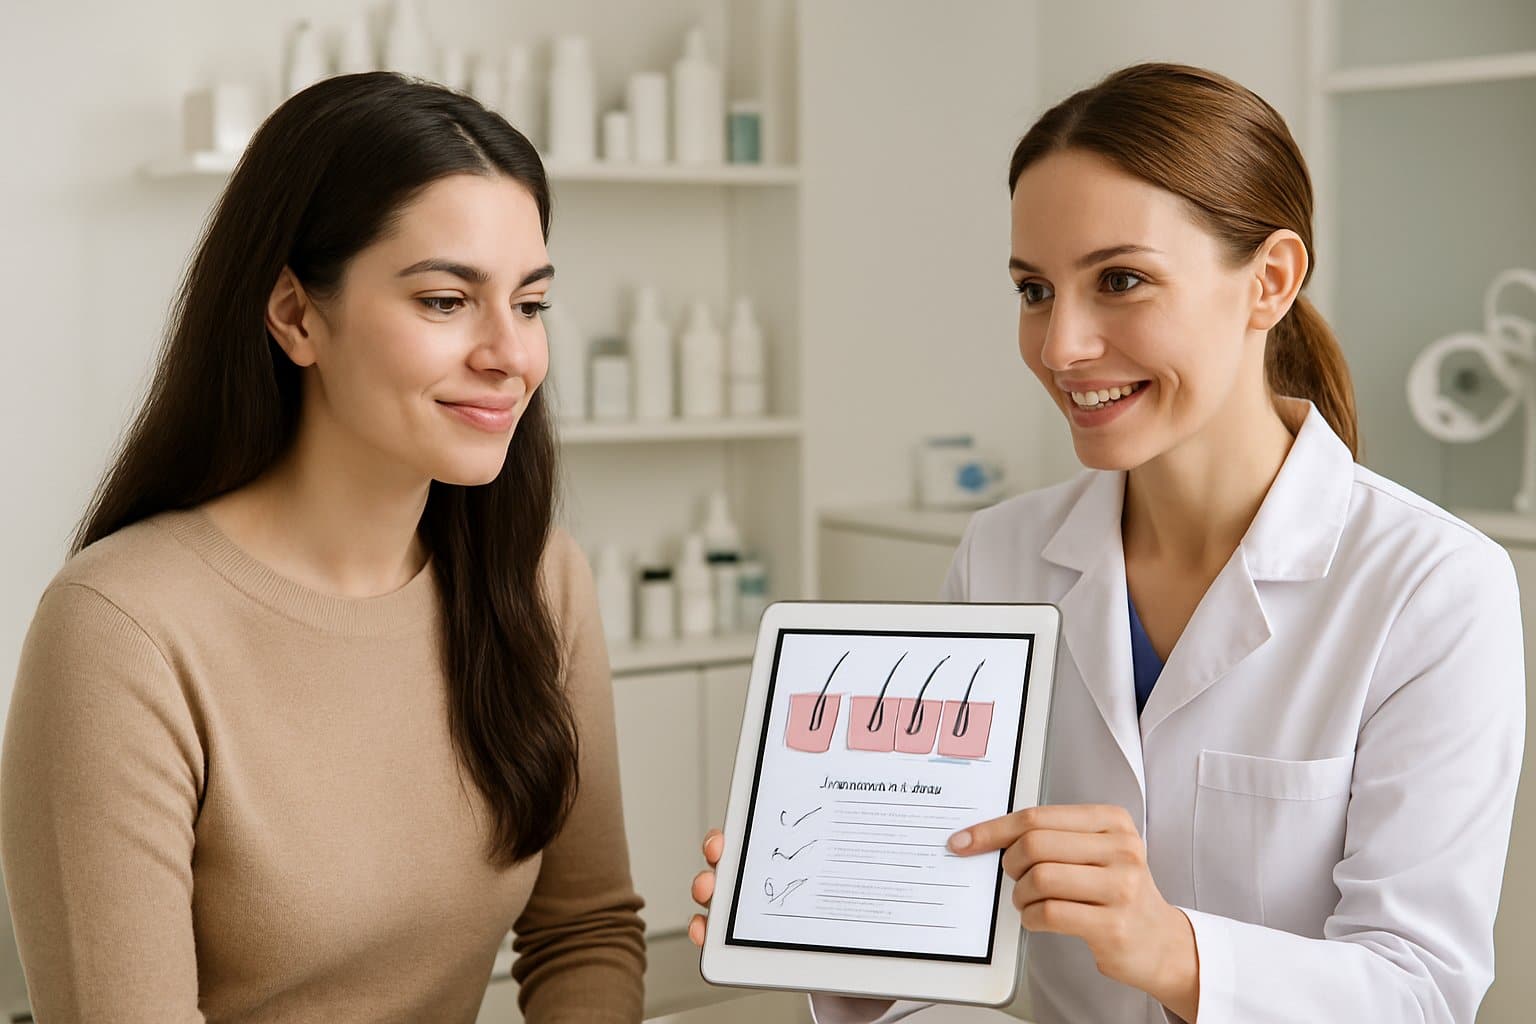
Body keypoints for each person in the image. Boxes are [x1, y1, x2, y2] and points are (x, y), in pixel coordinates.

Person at [688, 63, 1525, 1024]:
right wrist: (832, 925)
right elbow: (950, 927)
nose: (1060, 346)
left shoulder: (1434, 586)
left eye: (1120, 280)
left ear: (1271, 281)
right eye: (1035, 289)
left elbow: (1421, 993)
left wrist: (1172, 951)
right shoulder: (1001, 554)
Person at [1, 73, 645, 1023]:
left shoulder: (539, 581)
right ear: (296, 315)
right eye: (444, 301)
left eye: (532, 304)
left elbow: (583, 933)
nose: (510, 354)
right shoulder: (122, 630)